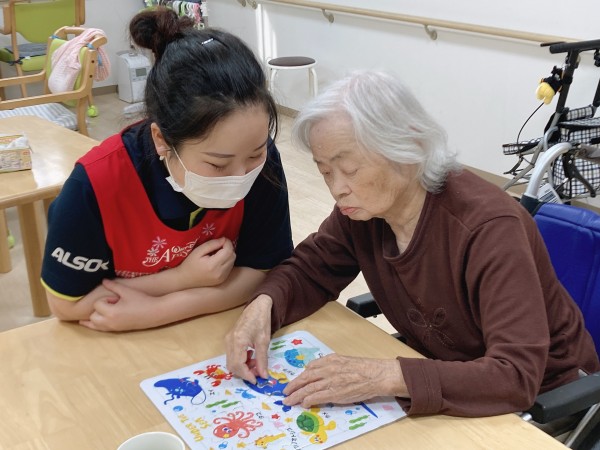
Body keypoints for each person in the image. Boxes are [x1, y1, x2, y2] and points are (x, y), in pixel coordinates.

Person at [225, 70, 600, 417]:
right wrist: (262, 306)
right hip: (448, 375)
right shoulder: (363, 212)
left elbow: (514, 376)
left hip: (546, 402)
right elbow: (310, 269)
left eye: (350, 169)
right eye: (325, 171)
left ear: (407, 146)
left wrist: (385, 376)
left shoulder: (489, 229)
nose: (337, 188)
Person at [40, 8, 293, 332]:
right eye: (217, 164)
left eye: (255, 154)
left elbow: (267, 272)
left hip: (209, 334)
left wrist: (162, 309)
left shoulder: (259, 158)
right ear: (161, 140)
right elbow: (66, 304)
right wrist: (181, 279)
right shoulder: (96, 185)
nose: (241, 174)